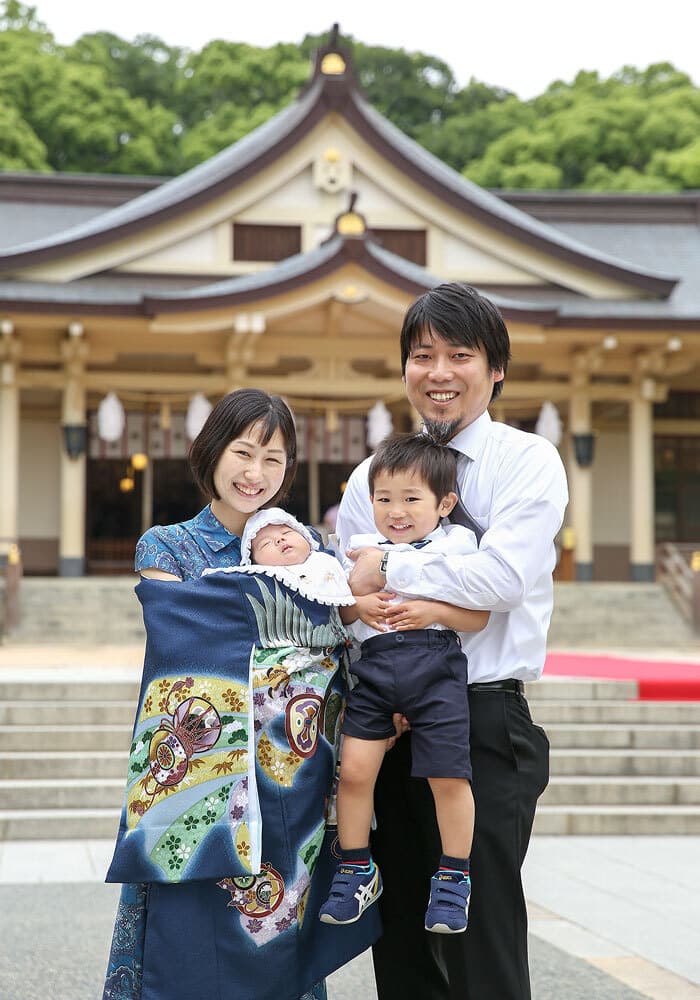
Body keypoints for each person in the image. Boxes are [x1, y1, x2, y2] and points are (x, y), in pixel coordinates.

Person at [103, 389, 379, 1000]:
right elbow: (179, 642)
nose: (256, 474)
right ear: (211, 451)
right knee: (183, 951)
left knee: (276, 943)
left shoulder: (305, 545)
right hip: (198, 776)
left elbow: (341, 637)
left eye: (274, 460)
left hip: (293, 776)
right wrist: (294, 622)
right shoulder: (167, 545)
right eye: (243, 452)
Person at [336, 283, 569, 1000]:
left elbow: (501, 580)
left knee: (482, 938)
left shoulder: (526, 462)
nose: (438, 372)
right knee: (402, 942)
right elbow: (354, 600)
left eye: (459, 355)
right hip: (390, 719)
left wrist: (397, 563)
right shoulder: (368, 481)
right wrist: (400, 590)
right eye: (422, 355)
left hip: (483, 718)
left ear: (495, 368)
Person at [318, 433, 489, 934]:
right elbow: (342, 611)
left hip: (436, 671)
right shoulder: (362, 549)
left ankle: (455, 874)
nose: (397, 510)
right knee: (353, 773)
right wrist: (359, 607)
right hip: (373, 672)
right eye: (384, 498)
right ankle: (355, 867)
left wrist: (431, 610)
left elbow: (477, 617)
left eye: (412, 499)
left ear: (445, 503)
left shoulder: (457, 543)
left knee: (448, 776)